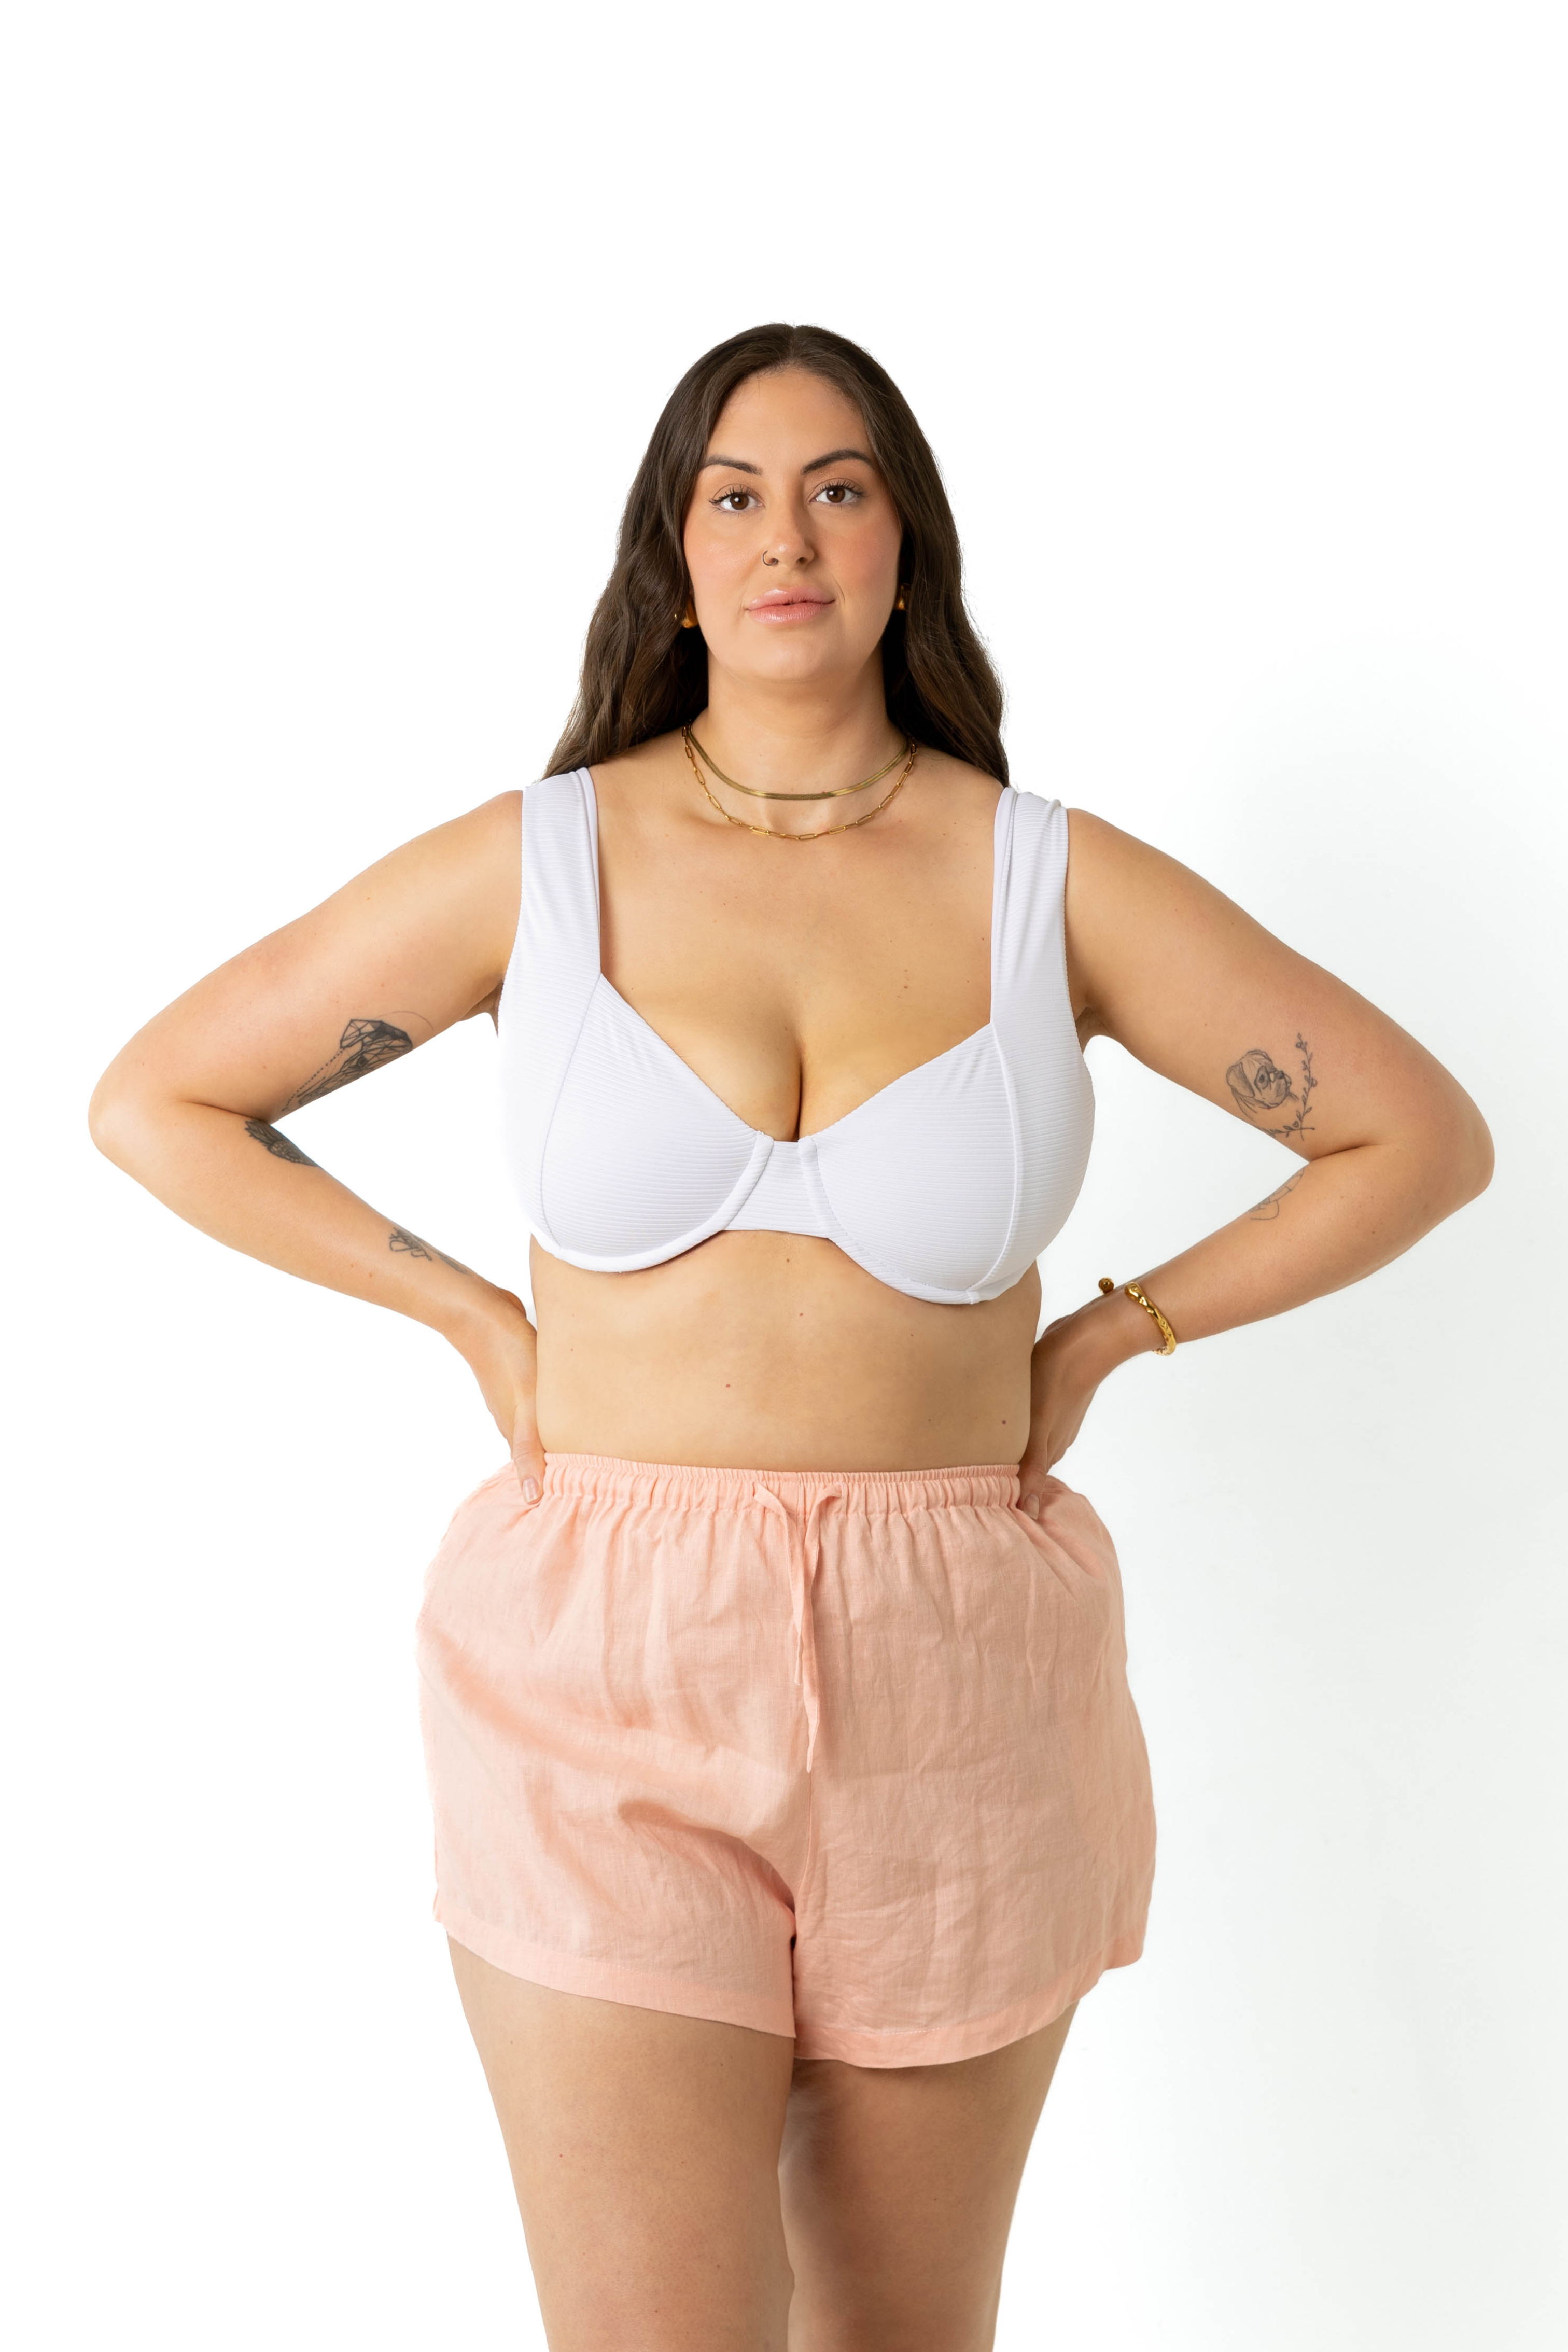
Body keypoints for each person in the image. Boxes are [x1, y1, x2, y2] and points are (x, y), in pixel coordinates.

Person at [88, 321, 1493, 2351]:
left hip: (962, 1673)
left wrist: (1109, 1341)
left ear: (905, 545)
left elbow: (1414, 1133)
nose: (788, 536)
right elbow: (162, 1100)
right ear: (675, 552)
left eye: (839, 488)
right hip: (599, 1668)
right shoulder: (543, 859)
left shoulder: (1042, 880)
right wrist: (473, 1318)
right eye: (733, 494)